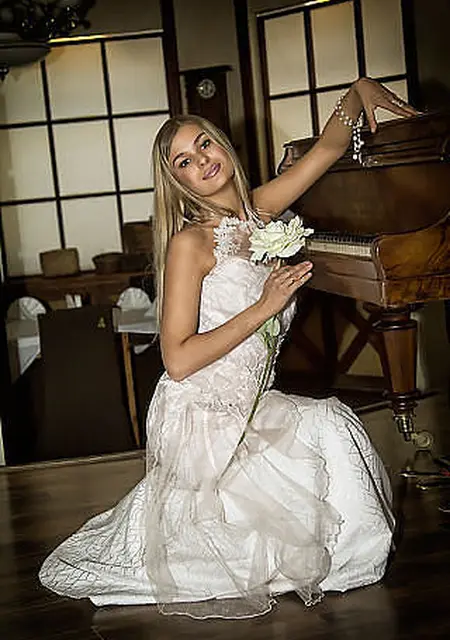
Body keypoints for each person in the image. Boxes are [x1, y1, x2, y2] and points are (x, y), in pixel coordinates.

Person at [39, 77, 418, 620]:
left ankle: (346, 564)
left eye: (204, 144)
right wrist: (264, 306)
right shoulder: (189, 244)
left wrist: (358, 92)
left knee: (333, 427)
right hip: (203, 415)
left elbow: (329, 149)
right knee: (234, 546)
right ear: (178, 183)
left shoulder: (260, 212)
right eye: (184, 161)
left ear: (222, 145)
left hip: (255, 404)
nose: (201, 161)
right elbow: (177, 360)